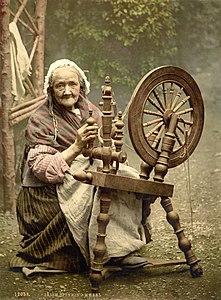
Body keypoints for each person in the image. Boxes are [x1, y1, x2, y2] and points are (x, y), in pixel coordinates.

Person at [10, 59, 151, 275]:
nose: (67, 91)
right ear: (51, 90)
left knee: (126, 178)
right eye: (60, 86)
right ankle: (106, 252)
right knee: (95, 187)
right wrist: (77, 146)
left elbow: (103, 141)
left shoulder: (87, 108)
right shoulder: (40, 119)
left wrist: (110, 133)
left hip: (77, 171)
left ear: (81, 86)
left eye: (72, 84)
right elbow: (43, 169)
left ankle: (122, 247)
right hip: (44, 191)